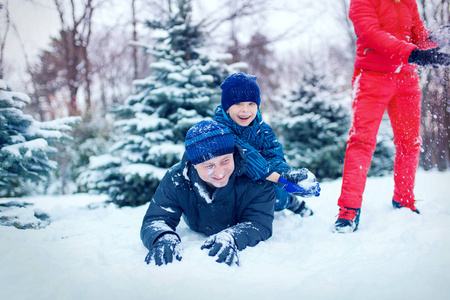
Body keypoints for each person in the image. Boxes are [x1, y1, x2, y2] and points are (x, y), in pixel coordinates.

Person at [333, 0, 450, 233]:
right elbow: (373, 35)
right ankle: (348, 210)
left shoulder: (408, 2)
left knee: (410, 143)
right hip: (371, 77)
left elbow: (417, 36)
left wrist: (435, 41)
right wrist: (414, 53)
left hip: (406, 80)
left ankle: (404, 199)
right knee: (361, 142)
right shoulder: (362, 2)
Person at [140, 120, 275, 266]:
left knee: (281, 198)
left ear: (233, 154)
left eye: (225, 160)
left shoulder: (256, 178)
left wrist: (233, 237)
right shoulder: (176, 179)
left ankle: (295, 203)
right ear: (194, 165)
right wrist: (162, 237)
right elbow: (156, 219)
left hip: (265, 196)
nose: (219, 172)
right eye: (209, 165)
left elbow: (260, 222)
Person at [215, 72, 321, 218]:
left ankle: (292, 203)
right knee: (268, 183)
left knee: (276, 192)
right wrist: (281, 178)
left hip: (260, 180)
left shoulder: (263, 130)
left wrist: (287, 173)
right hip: (227, 185)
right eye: (238, 103)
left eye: (251, 104)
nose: (245, 110)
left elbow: (274, 156)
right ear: (227, 107)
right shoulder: (219, 130)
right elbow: (247, 156)